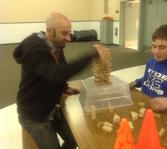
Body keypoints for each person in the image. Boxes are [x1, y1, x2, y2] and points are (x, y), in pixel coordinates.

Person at [13, 12, 110, 149]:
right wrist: (92, 55)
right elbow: (56, 73)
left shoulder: (55, 45)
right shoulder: (34, 47)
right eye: (64, 33)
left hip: (51, 107)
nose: (68, 38)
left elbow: (58, 69)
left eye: (69, 33)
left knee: (74, 139)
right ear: (49, 32)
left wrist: (64, 88)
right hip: (34, 115)